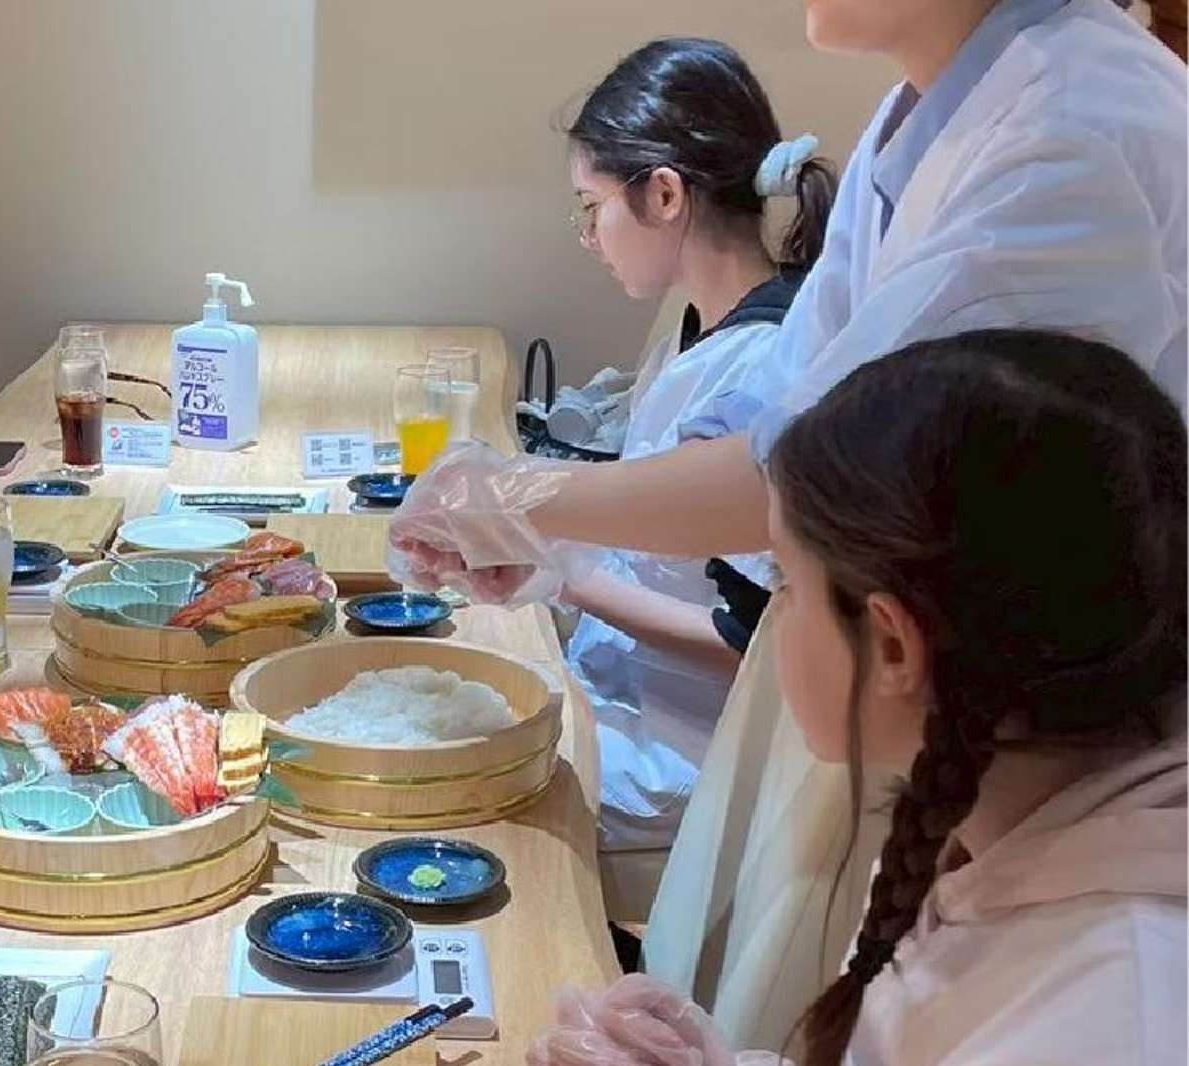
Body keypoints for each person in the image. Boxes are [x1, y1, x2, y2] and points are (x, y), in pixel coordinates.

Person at [391, 0, 1184, 1040]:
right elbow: (803, 443)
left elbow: (814, 481)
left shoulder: (1077, 130)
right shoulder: (936, 104)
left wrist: (523, 504)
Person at [527, 329, 1185, 1066]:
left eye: (788, 588)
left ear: (894, 645)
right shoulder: (993, 820)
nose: (779, 622)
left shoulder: (1120, 1008)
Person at [554, 38, 836, 921]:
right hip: (625, 694)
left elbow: (754, 640)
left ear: (664, 193)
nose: (591, 237)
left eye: (592, 207)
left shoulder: (760, 369)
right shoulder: (700, 326)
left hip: (678, 750)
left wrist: (567, 576)